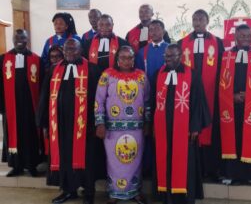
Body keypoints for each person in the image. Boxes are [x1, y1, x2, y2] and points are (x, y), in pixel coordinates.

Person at [37, 38, 101, 204]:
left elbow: (98, 99)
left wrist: (96, 122)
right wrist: (44, 122)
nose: (69, 53)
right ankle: (68, 190)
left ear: (81, 50)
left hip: (84, 124)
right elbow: (44, 96)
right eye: (66, 50)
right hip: (59, 124)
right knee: (64, 156)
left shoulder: (92, 69)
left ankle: (88, 192)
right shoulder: (53, 69)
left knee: (86, 158)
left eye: (73, 49)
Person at [153, 44, 210, 204]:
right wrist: (152, 125)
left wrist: (195, 127)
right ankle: (166, 195)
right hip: (163, 125)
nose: (168, 59)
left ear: (181, 56)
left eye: (172, 56)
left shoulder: (192, 74)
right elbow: (153, 100)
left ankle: (184, 196)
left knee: (184, 161)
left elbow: (198, 102)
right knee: (165, 158)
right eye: (166, 56)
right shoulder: (159, 73)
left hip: (184, 127)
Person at [95, 46, 150, 204]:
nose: (127, 61)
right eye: (123, 57)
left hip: (137, 128)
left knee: (135, 160)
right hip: (112, 129)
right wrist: (100, 123)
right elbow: (99, 101)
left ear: (134, 59)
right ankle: (114, 193)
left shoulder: (141, 77)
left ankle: (135, 192)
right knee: (114, 162)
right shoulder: (107, 75)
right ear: (117, 59)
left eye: (130, 58)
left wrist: (147, 122)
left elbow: (147, 101)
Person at [218, 24, 251, 186]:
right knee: (234, 139)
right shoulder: (225, 56)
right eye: (243, 36)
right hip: (232, 106)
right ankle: (235, 174)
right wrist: (232, 96)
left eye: (249, 36)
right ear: (235, 37)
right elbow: (220, 82)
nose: (247, 39)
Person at [178, 9, 224, 179]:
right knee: (191, 125)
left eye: (201, 19)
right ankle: (193, 169)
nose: (197, 22)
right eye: (195, 19)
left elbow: (221, 68)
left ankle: (210, 169)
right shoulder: (182, 42)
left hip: (211, 90)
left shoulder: (217, 42)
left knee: (210, 127)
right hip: (189, 93)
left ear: (207, 21)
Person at [0, 29, 43, 177]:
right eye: (17, 38)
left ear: (27, 39)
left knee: (30, 134)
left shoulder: (37, 59)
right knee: (13, 135)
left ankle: (32, 166)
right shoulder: (3, 59)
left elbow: (42, 84)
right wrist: (2, 107)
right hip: (11, 106)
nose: (20, 40)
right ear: (12, 39)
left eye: (23, 38)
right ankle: (16, 166)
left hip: (31, 105)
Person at [135, 19, 169, 177]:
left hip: (166, 95)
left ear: (163, 31)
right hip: (148, 97)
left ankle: (163, 165)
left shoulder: (169, 49)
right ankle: (147, 166)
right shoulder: (143, 52)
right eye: (151, 30)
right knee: (148, 130)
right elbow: (139, 74)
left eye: (157, 29)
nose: (154, 32)